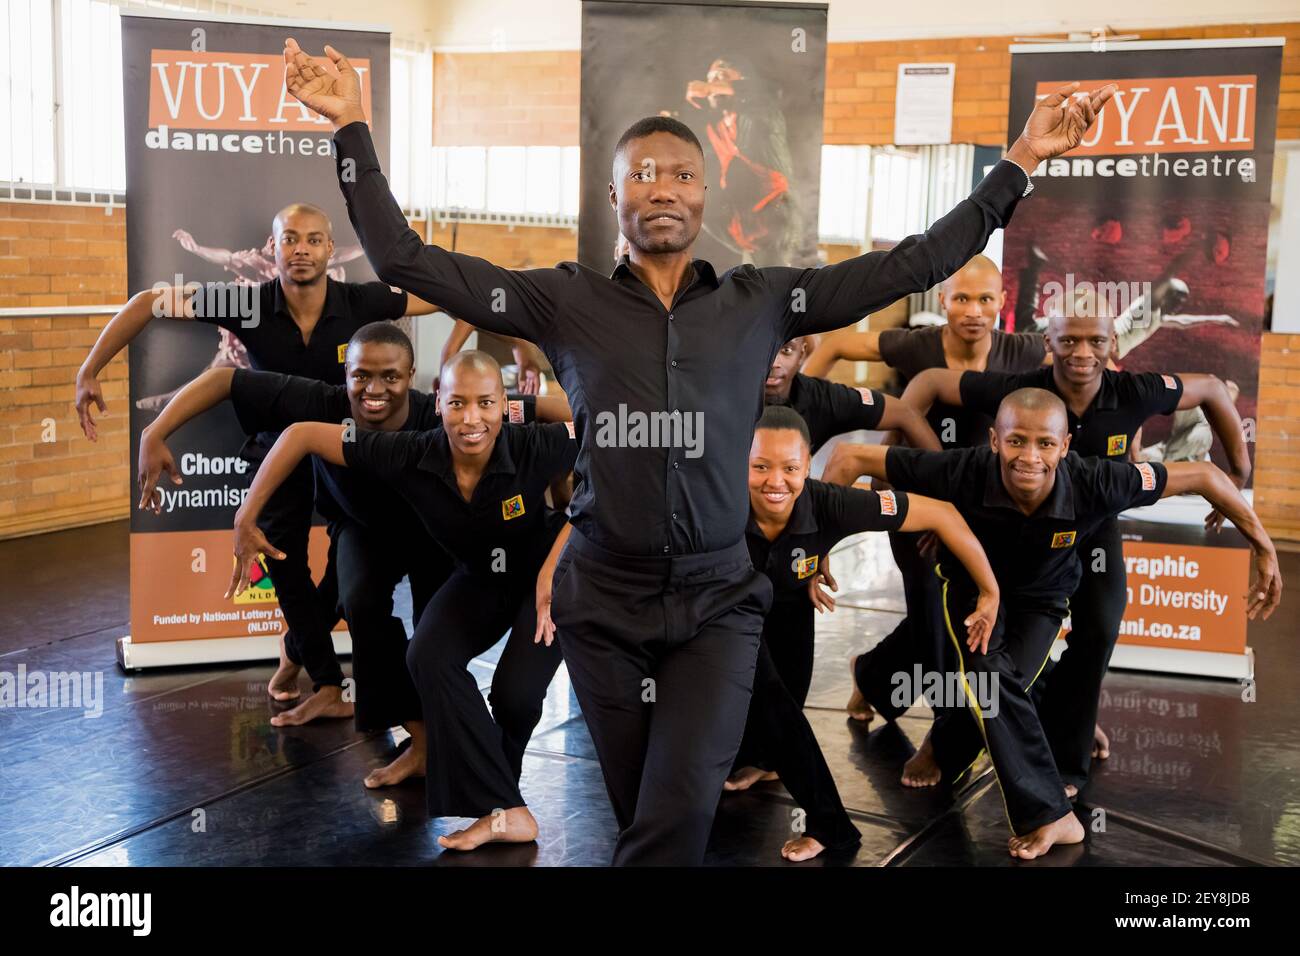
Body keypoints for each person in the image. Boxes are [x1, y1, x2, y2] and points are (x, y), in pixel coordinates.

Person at [281, 34, 1112, 864]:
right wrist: (351, 125)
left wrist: (1022, 158)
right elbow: (404, 258)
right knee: (646, 814)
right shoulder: (562, 301)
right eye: (641, 174)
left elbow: (914, 263)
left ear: (706, 194)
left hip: (718, 603)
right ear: (614, 194)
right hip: (602, 602)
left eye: (679, 173)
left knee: (674, 814)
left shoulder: (763, 302)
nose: (661, 188)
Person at [829, 388, 1280, 858]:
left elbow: (1205, 475)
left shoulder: (1099, 481)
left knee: (1003, 684)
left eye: (1045, 444)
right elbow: (848, 456)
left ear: (1065, 448)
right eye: (1016, 441)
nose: (1029, 456)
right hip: (975, 591)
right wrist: (821, 547)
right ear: (993, 441)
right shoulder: (958, 469)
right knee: (987, 675)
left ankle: (943, 743)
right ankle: (1051, 815)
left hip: (1041, 601)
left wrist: (1264, 547)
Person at [75, 202, 443, 721]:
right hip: (277, 450)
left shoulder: (360, 300)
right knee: (283, 561)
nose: (301, 249)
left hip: (344, 450)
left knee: (352, 569)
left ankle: (296, 648)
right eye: (290, 239)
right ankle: (328, 683)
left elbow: (443, 297)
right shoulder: (246, 304)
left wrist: (512, 313)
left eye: (314, 240)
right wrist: (89, 369)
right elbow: (148, 302)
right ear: (273, 248)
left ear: (330, 250)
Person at [880, 304, 1250, 793]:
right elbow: (927, 383)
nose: (1081, 353)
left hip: (1092, 527)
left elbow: (1210, 389)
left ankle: (1067, 741)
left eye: (1095, 341)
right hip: (1019, 524)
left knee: (1098, 627)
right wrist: (944, 501)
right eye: (1068, 340)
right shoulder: (1020, 391)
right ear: (1046, 343)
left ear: (1112, 345)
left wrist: (1238, 473)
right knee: (982, 634)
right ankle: (923, 720)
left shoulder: (1133, 391)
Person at [229, 349, 577, 850]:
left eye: (485, 404)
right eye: (457, 403)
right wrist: (246, 517)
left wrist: (554, 565)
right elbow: (300, 434)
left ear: (505, 405)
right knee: (428, 654)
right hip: (481, 577)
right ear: (438, 402)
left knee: (513, 696)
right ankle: (506, 809)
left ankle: (501, 806)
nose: (471, 418)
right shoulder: (408, 452)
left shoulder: (537, 444)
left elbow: (607, 459)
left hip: (547, 581)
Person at [723, 405, 997, 861]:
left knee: (785, 703)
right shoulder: (714, 502)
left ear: (809, 464)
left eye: (791, 468)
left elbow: (943, 514)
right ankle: (834, 828)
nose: (776, 481)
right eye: (760, 466)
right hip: (728, 615)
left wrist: (989, 592)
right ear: (739, 462)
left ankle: (766, 761)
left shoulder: (834, 502)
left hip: (791, 610)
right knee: (772, 704)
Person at [763, 336, 941, 454]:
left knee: (850, 459)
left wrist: (945, 484)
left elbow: (905, 413)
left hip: (792, 503)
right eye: (764, 350)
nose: (774, 363)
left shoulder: (820, 398)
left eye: (787, 350)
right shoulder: (735, 399)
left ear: (801, 354)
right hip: (739, 506)